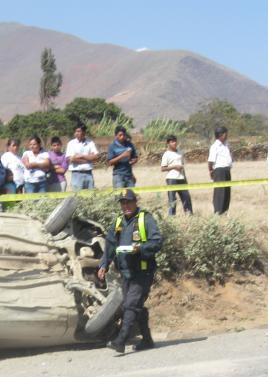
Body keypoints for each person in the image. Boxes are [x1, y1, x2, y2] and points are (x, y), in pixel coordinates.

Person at [97, 189, 163, 354]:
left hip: (143, 272)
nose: (126, 205)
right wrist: (104, 264)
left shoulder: (145, 219)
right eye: (123, 202)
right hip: (126, 273)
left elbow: (157, 242)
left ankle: (121, 341)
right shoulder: (119, 223)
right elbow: (110, 245)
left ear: (135, 202)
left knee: (130, 305)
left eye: (129, 202)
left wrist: (140, 248)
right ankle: (147, 340)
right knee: (135, 306)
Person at [160, 135, 193, 216]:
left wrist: (185, 178)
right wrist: (174, 167)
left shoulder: (180, 152)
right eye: (172, 142)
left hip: (181, 178)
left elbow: (182, 166)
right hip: (171, 179)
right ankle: (172, 217)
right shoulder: (166, 154)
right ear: (168, 143)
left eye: (175, 141)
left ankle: (189, 215)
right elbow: (163, 168)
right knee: (172, 200)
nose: (174, 143)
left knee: (186, 198)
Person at [208, 126, 233, 214]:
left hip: (226, 170)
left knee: (227, 192)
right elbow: (210, 161)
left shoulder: (226, 145)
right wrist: (211, 171)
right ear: (221, 135)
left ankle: (225, 211)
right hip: (219, 171)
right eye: (225, 133)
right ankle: (218, 211)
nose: (227, 135)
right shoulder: (215, 146)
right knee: (220, 192)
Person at [65, 124, 98, 191]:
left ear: (84, 132)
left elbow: (96, 157)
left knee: (90, 196)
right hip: (77, 174)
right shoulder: (71, 143)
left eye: (79, 131)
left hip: (88, 173)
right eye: (76, 131)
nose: (77, 133)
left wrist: (82, 156)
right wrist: (89, 159)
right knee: (77, 197)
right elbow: (71, 159)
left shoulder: (90, 142)